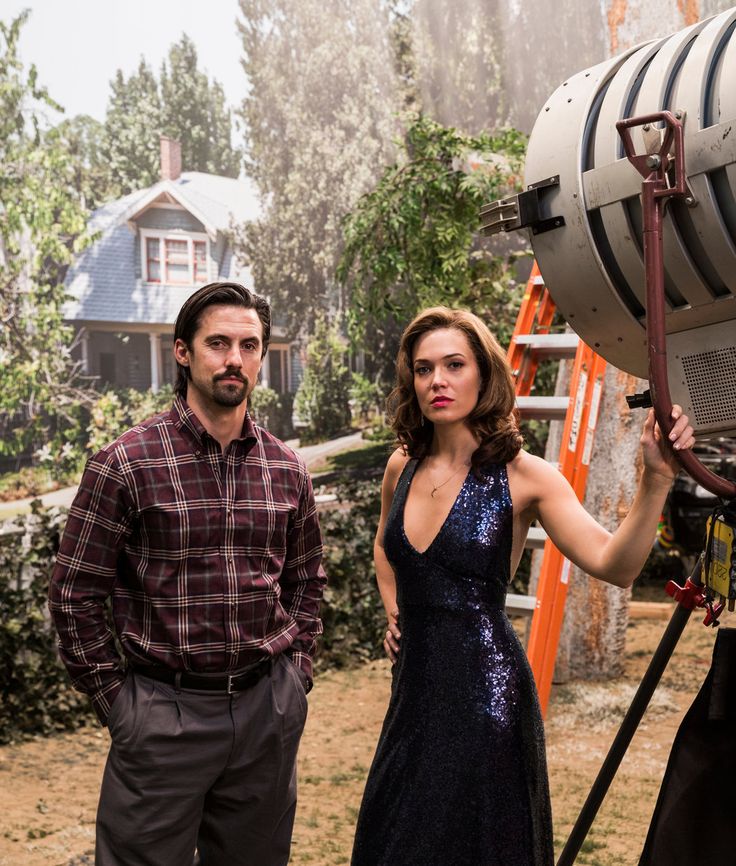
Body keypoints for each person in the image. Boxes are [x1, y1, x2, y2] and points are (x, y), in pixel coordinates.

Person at [350, 306, 694, 866]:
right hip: (412, 699)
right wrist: (395, 613)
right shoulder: (401, 466)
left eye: (454, 364)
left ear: (483, 373)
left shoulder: (526, 476)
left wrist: (655, 480)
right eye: (423, 368)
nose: (437, 380)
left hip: (489, 701)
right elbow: (385, 549)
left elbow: (615, 564)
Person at [49, 281, 327, 866]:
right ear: (183, 352)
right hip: (161, 715)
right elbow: (74, 594)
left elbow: (306, 582)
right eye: (218, 343)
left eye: (249, 346)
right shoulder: (126, 463)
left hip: (266, 714)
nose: (235, 360)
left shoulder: (286, 468)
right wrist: (119, 705)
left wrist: (294, 678)